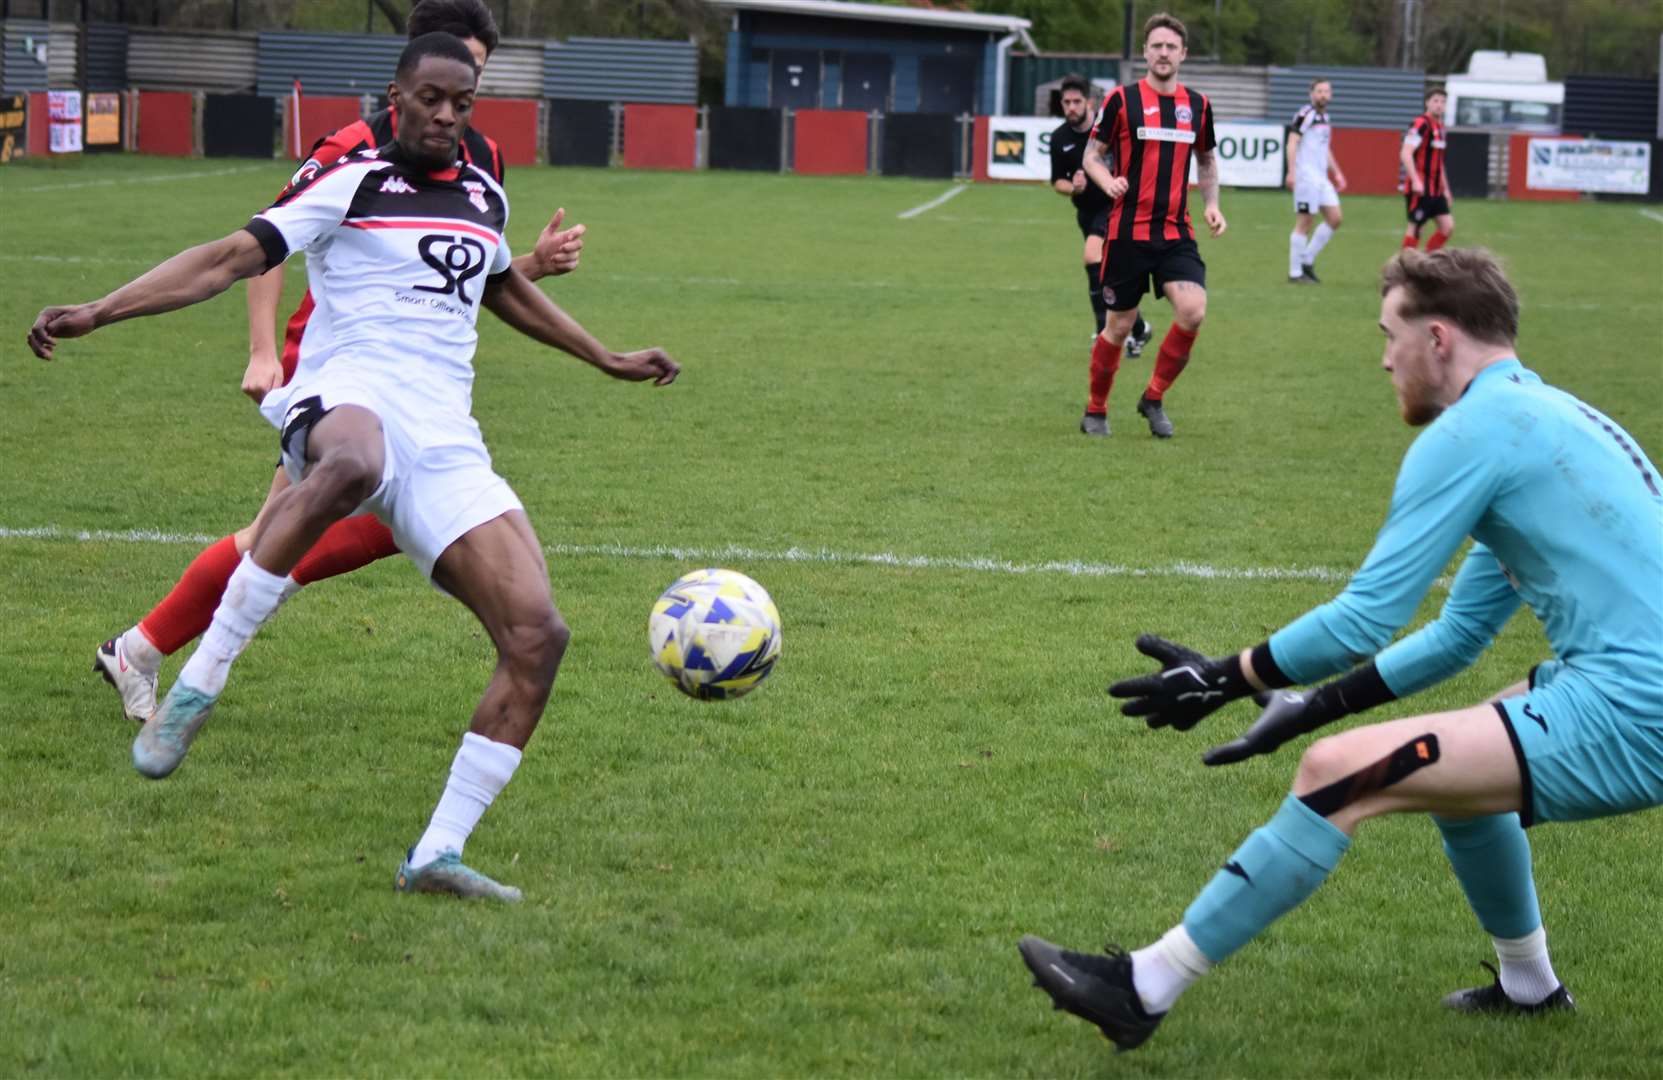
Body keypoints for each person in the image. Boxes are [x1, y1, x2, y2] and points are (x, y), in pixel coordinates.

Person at [30, 32, 682, 902]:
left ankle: (435, 854)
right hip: (346, 390)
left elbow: (497, 284)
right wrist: (98, 312)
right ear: (396, 95)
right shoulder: (354, 176)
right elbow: (232, 258)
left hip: (445, 436)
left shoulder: (484, 190)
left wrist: (604, 356)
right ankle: (199, 682)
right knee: (350, 464)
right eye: (431, 98)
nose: (446, 116)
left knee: (538, 636)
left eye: (462, 102)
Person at [1018, 247, 1661, 1050]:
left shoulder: (1473, 433)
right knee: (1456, 782)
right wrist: (1306, 707)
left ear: (1436, 338)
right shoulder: (1542, 418)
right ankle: (1527, 989)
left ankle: (1142, 987)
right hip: (1620, 688)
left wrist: (1223, 679)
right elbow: (1457, 637)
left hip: (1635, 708)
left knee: (1336, 773)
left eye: (1389, 334)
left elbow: (1365, 620)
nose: (1382, 357)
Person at [92, 0, 587, 726]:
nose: (460, 100)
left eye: (475, 77)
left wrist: (531, 266)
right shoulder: (349, 148)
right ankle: (150, 645)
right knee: (308, 523)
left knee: (341, 523)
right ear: (413, 68)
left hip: (421, 373)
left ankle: (144, 645)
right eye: (452, 73)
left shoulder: (481, 160)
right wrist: (263, 351)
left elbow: (463, 275)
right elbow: (264, 243)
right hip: (336, 363)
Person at [1079, 12, 1226, 440]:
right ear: (1146, 52)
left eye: (1171, 47)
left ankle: (1154, 397)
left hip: (1175, 233)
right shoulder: (1121, 101)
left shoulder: (1198, 105)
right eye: (1156, 46)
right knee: (1119, 326)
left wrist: (1213, 204)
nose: (1164, 53)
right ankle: (1096, 409)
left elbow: (1207, 159)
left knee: (1193, 311)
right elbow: (1092, 156)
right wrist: (1108, 182)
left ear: (1184, 54)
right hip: (1126, 233)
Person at [1049, 74, 1152, 387]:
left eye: (1076, 101)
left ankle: (1101, 333)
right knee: (1109, 276)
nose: (1071, 107)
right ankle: (1139, 328)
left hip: (1115, 207)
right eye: (1066, 102)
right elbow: (1058, 182)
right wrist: (1074, 187)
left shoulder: (1107, 130)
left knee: (1092, 257)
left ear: (1089, 103)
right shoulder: (1058, 138)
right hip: (1086, 212)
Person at [1286, 78, 1346, 284]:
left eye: (1326, 91)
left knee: (1335, 218)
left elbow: (1325, 149)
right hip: (1306, 178)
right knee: (1305, 222)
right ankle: (1295, 273)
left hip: (1321, 178)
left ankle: (1307, 259)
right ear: (1311, 94)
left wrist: (1337, 173)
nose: (1323, 95)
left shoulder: (1325, 118)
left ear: (1330, 95)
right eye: (1319, 91)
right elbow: (1292, 142)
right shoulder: (1306, 114)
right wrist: (1291, 172)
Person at [1401, 88, 1454, 251]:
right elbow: (1405, 152)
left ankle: (1427, 264)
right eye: (1435, 101)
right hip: (1421, 189)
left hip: (1436, 190)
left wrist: (1445, 189)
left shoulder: (1441, 128)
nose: (1439, 105)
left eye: (1443, 102)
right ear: (1427, 103)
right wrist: (1416, 180)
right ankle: (1404, 270)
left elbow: (1439, 163)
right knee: (1417, 229)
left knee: (1447, 227)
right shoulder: (1420, 124)